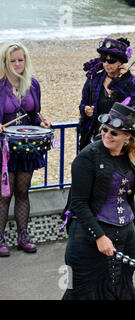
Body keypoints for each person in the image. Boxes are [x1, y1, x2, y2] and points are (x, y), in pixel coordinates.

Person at [62, 102, 135, 300]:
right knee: (81, 290)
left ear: (127, 136)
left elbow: (127, 195)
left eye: (114, 133)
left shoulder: (130, 157)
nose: (107, 135)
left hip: (124, 237)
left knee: (122, 285)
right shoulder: (87, 157)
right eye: (105, 130)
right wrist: (99, 236)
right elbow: (78, 204)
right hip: (87, 239)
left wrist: (134, 224)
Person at [0, 42, 51, 257]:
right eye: (12, 60)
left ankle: (24, 235)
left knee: (23, 191)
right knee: (4, 194)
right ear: (5, 62)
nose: (17, 64)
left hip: (26, 147)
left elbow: (34, 113)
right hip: (4, 149)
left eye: (20, 59)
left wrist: (42, 122)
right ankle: (0, 238)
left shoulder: (33, 84)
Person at [78, 37, 135, 150]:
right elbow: (83, 104)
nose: (107, 64)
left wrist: (125, 80)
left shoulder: (133, 82)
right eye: (104, 60)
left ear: (121, 62)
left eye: (111, 61)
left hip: (121, 140)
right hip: (95, 136)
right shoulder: (93, 79)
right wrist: (85, 110)